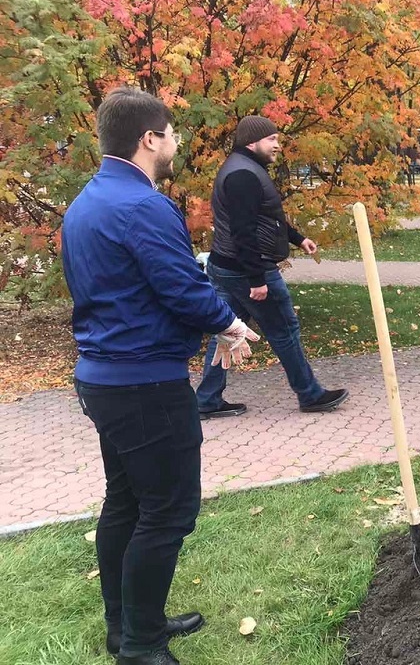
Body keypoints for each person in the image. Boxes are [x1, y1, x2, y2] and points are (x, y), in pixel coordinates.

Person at [62, 87, 261, 665]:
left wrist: (217, 324)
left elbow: (141, 286)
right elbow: (180, 288)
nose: (177, 141)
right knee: (168, 509)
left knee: (126, 501)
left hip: (105, 376)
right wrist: (231, 326)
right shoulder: (143, 206)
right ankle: (141, 645)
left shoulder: (87, 201)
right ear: (150, 139)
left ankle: (129, 624)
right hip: (143, 382)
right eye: (172, 132)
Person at [196, 115, 349, 417]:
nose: (278, 145)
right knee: (284, 329)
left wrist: (297, 238)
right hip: (247, 270)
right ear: (252, 142)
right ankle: (310, 394)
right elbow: (243, 232)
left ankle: (206, 400)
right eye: (272, 139)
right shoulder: (243, 175)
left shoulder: (244, 169)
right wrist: (257, 279)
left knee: (228, 332)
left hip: (227, 266)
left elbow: (266, 218)